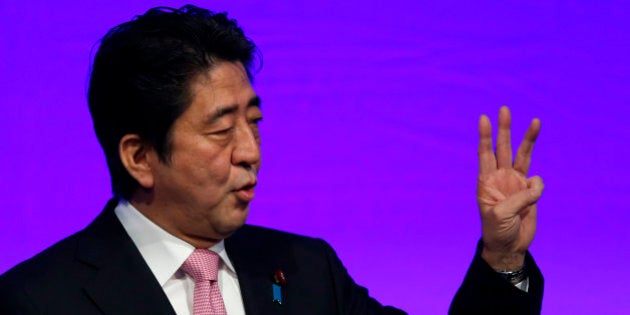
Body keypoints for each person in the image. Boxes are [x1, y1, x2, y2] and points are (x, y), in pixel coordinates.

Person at [0, 5, 544, 314]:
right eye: (221, 130)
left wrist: (503, 261)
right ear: (140, 157)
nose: (252, 153)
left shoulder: (309, 272)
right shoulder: (36, 300)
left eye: (254, 123)